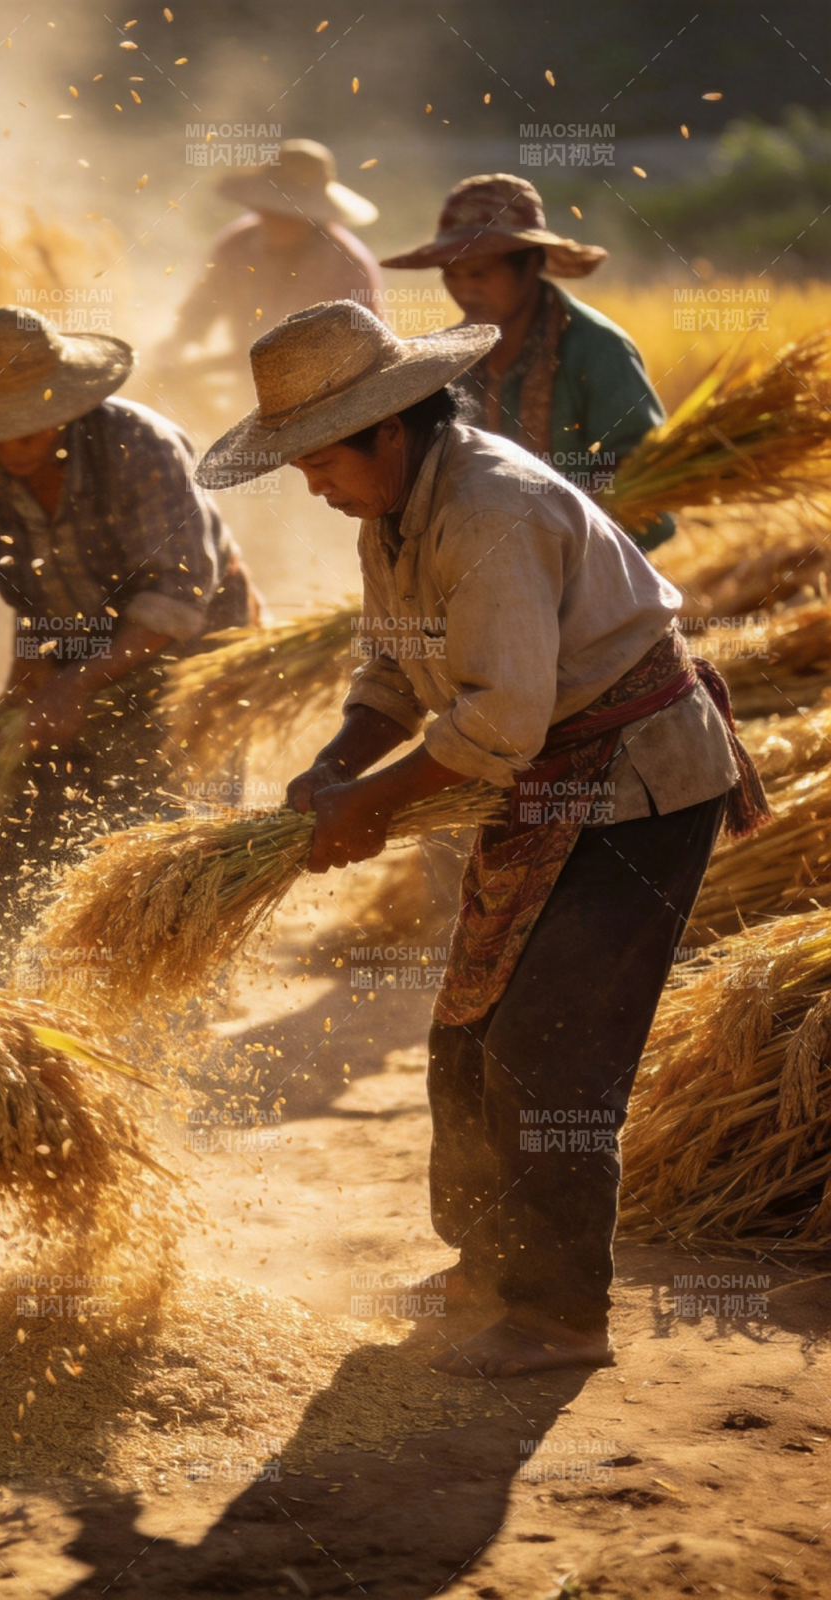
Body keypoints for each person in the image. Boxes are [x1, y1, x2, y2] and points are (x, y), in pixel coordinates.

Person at [197, 303, 767, 1378]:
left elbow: (500, 718)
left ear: (391, 430)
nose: (312, 487)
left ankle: (558, 1315)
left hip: (636, 782)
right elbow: (392, 672)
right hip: (538, 784)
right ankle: (488, 1265)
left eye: (321, 460)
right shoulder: (392, 513)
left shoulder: (488, 510)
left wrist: (370, 805)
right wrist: (336, 762)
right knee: (469, 1028)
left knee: (550, 1054)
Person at [0, 306, 259, 970]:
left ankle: (171, 982)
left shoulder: (138, 447)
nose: (10, 443)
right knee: (26, 818)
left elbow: (177, 597)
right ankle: (21, 975)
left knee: (167, 820)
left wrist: (76, 686)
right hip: (62, 646)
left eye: (27, 418)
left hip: (189, 644)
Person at [382, 173, 675, 550]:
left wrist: (561, 518)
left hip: (585, 563)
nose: (465, 288)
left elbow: (643, 465)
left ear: (531, 263)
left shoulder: (596, 349)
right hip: (467, 557)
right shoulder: (446, 361)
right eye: (452, 274)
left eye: (480, 273)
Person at [166, 139, 383, 361]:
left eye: (291, 213)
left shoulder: (347, 262)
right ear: (259, 206)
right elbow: (202, 307)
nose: (279, 219)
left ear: (312, 215)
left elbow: (368, 346)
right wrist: (177, 350)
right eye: (273, 208)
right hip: (245, 372)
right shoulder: (237, 245)